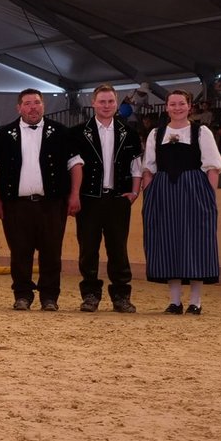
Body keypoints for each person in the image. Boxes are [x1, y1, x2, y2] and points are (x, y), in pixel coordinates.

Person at [0, 89, 73, 311]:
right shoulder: (3, 134)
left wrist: (74, 195)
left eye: (36, 102)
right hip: (16, 205)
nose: (32, 107)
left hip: (52, 204)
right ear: (19, 107)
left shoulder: (61, 132)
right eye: (27, 103)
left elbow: (75, 165)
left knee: (52, 252)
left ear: (43, 105)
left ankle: (49, 297)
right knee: (19, 252)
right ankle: (22, 295)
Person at [140, 90, 221, 314]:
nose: (177, 108)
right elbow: (148, 169)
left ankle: (195, 302)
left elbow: (212, 168)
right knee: (167, 242)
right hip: (163, 190)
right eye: (173, 104)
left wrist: (209, 197)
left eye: (181, 104)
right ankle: (174, 301)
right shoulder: (156, 133)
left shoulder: (201, 131)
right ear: (166, 107)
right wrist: (149, 196)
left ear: (189, 106)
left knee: (196, 243)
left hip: (194, 189)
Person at [66, 84, 142, 313]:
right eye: (102, 101)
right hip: (88, 199)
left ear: (116, 104)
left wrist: (134, 192)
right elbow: (71, 167)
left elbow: (136, 166)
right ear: (93, 103)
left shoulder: (129, 133)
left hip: (118, 199)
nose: (106, 106)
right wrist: (74, 195)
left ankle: (121, 296)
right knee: (88, 248)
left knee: (118, 248)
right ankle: (90, 295)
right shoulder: (78, 132)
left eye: (110, 101)